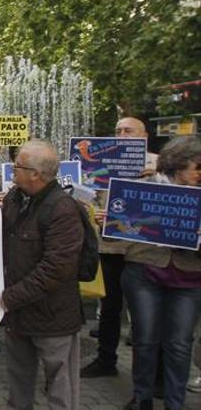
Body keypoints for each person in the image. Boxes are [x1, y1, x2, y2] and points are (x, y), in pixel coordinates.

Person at [0, 140, 84, 410]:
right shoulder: (15, 198)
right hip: (19, 314)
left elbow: (55, 268)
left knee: (60, 387)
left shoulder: (63, 209)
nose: (12, 169)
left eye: (18, 166)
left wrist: (11, 296)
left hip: (52, 317)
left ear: (36, 174)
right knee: (19, 382)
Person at [122, 135, 201, 410]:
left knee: (180, 344)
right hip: (145, 271)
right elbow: (119, 234)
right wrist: (113, 222)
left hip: (189, 276)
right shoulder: (142, 189)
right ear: (178, 164)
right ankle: (142, 397)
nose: (199, 173)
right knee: (145, 339)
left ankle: (175, 403)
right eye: (197, 167)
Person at [82, 116, 159, 379]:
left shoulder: (158, 164)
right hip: (110, 247)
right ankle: (106, 360)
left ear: (144, 136)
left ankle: (149, 372)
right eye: (118, 131)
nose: (122, 134)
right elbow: (92, 198)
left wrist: (154, 178)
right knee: (109, 308)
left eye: (128, 130)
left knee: (145, 315)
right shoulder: (102, 163)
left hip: (145, 251)